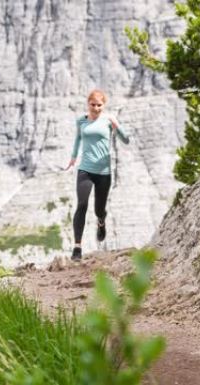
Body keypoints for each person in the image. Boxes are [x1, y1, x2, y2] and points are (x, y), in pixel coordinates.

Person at [64, 89, 130, 261]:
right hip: (85, 170)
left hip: (103, 172)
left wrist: (118, 127)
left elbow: (126, 140)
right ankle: (77, 247)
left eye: (99, 105)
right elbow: (78, 139)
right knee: (82, 204)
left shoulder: (108, 120)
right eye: (92, 105)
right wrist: (73, 157)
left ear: (104, 105)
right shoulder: (81, 121)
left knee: (98, 209)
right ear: (88, 104)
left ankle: (101, 222)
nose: (95, 108)